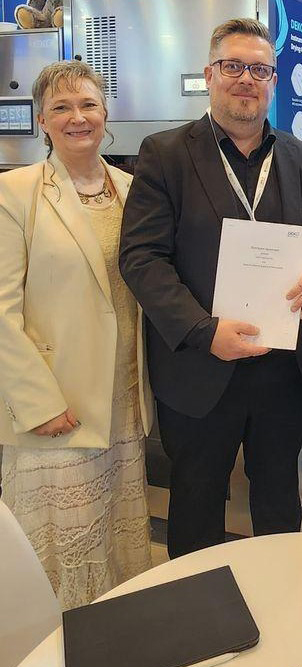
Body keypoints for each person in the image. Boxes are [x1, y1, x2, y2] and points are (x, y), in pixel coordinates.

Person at [119, 18, 302, 558]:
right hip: (201, 366)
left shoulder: (301, 157)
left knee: (278, 500)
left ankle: (279, 593)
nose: (247, 79)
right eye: (233, 66)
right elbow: (142, 258)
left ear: (273, 80)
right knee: (196, 503)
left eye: (259, 70)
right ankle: (197, 602)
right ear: (210, 74)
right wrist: (203, 331)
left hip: (282, 367)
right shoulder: (165, 154)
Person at [0, 61, 155, 610]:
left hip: (124, 398)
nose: (77, 117)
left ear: (106, 114)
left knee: (116, 531)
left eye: (88, 104)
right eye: (61, 107)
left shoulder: (133, 190)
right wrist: (37, 403)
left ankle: (116, 634)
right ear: (42, 120)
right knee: (67, 547)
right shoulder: (15, 192)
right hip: (57, 402)